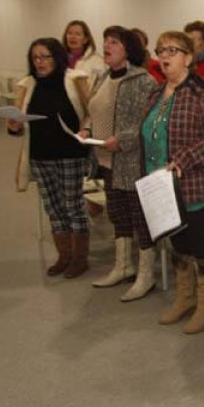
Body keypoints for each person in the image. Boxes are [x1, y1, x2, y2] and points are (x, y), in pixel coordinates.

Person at [143, 31, 204, 334]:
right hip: (161, 186)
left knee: (202, 244)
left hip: (197, 185)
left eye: (172, 50)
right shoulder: (156, 93)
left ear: (188, 57)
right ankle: (185, 297)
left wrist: (184, 158)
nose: (164, 56)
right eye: (160, 50)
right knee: (177, 243)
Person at [82, 26, 159, 301]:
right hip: (106, 159)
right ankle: (123, 265)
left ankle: (146, 275)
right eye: (105, 41)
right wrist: (88, 131)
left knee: (140, 217)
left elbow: (146, 123)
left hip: (131, 159)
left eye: (114, 42)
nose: (106, 46)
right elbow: (94, 111)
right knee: (118, 214)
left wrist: (123, 139)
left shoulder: (143, 81)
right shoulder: (103, 77)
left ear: (128, 49)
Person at [9, 38, 92, 279]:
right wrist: (13, 125)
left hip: (70, 153)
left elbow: (90, 113)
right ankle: (63, 255)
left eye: (45, 56)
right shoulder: (27, 84)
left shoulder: (75, 79)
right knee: (53, 207)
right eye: (35, 57)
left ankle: (79, 258)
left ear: (57, 57)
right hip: (39, 155)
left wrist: (86, 130)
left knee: (73, 205)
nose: (40, 62)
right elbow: (18, 123)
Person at [62, 20, 106, 86]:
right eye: (69, 33)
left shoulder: (97, 61)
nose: (73, 37)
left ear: (85, 39)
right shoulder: (59, 58)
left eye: (77, 34)